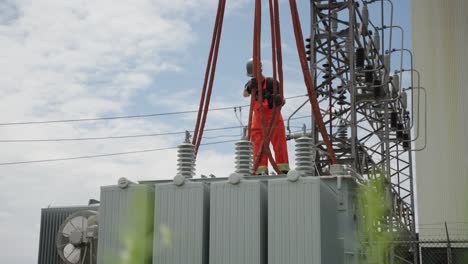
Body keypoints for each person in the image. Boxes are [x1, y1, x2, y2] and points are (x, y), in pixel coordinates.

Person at [243, 58, 289, 175]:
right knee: (258, 146)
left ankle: (282, 170)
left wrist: (277, 100)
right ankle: (260, 171)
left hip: (273, 119)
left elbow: (282, 99)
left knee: (279, 145)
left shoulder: (271, 82)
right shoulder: (251, 85)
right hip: (258, 121)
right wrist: (249, 88)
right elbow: (244, 94)